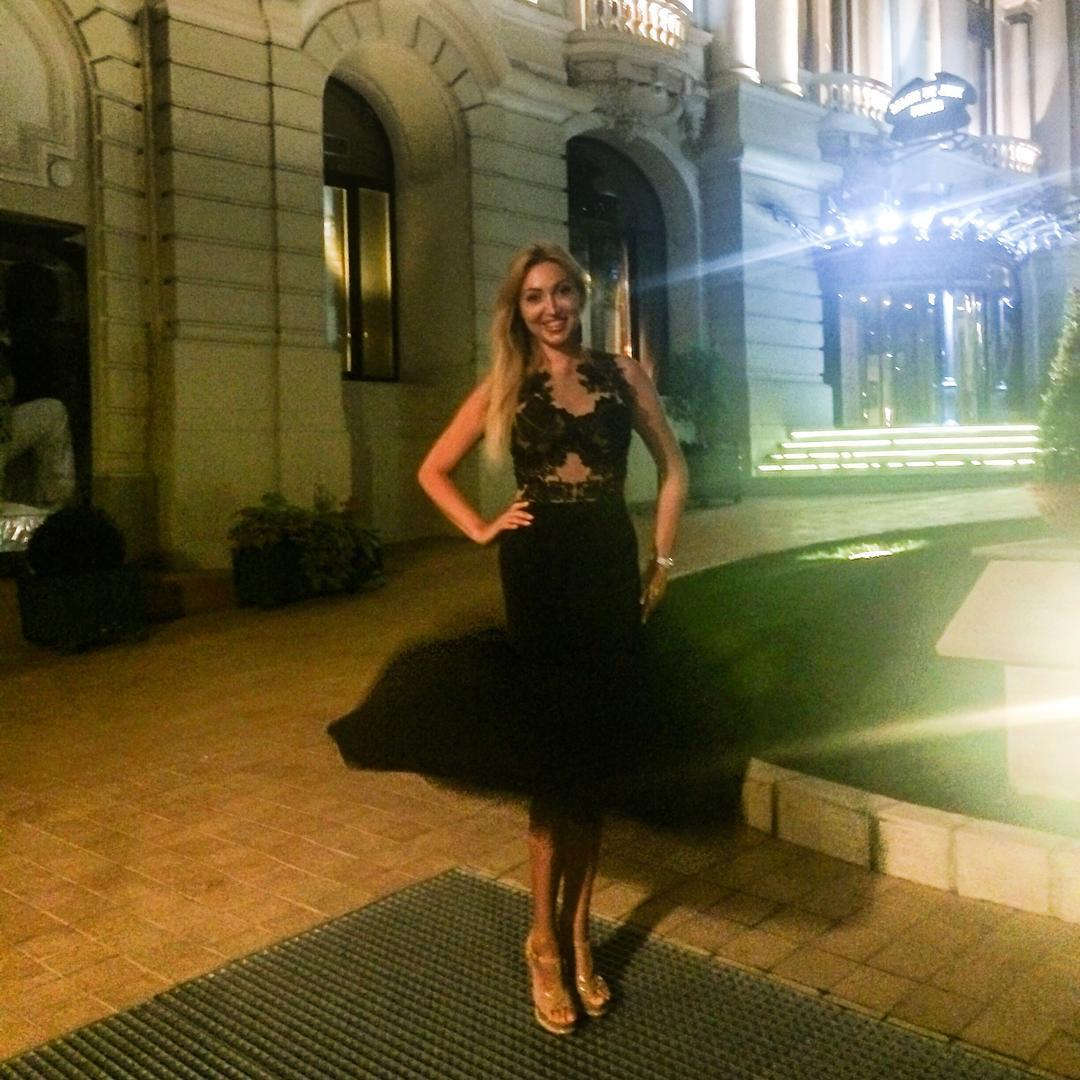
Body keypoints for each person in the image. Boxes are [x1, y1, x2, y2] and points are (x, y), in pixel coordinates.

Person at [414, 242, 688, 1035]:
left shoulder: (622, 373)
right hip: (537, 572)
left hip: (605, 566)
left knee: (591, 759)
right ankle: (542, 939)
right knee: (551, 760)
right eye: (534, 296)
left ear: (581, 296)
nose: (551, 308)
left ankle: (578, 932)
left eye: (562, 291)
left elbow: (673, 468)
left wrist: (662, 562)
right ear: (518, 309)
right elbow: (433, 470)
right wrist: (481, 527)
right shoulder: (505, 385)